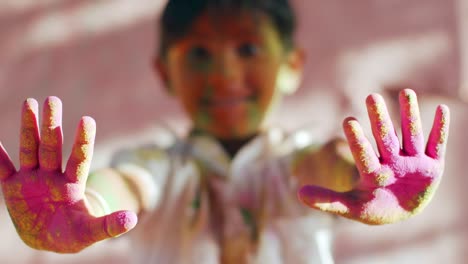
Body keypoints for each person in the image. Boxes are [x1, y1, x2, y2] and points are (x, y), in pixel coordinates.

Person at [0, 0, 450, 263]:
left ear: (292, 65)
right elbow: (127, 186)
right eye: (198, 54)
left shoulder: (298, 164)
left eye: (248, 48)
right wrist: (86, 205)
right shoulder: (159, 168)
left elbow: (332, 165)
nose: (224, 74)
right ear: (164, 73)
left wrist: (367, 182)